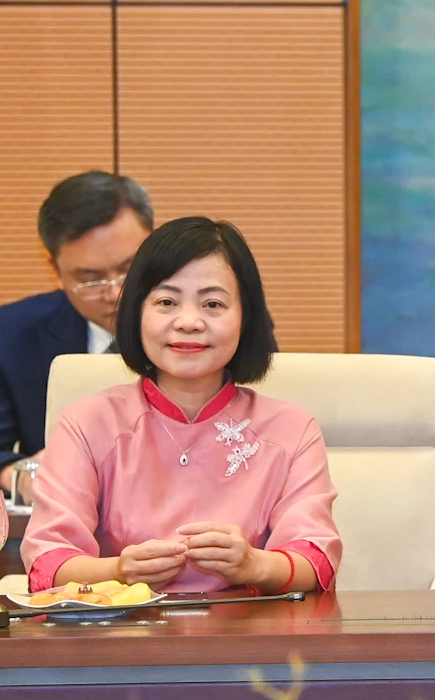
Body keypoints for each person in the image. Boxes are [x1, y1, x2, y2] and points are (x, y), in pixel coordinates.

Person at [21, 217, 340, 595]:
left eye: (213, 304)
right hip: (123, 640)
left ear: (246, 317)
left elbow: (316, 562)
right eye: (167, 302)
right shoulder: (88, 422)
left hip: (252, 641)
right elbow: (47, 561)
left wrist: (254, 565)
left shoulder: (292, 428)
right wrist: (120, 570)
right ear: (137, 313)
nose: (189, 322)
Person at [0, 171, 154, 492]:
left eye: (129, 268)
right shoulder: (9, 334)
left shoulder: (206, 327)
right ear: (55, 270)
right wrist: (25, 477)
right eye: (90, 278)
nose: (114, 292)